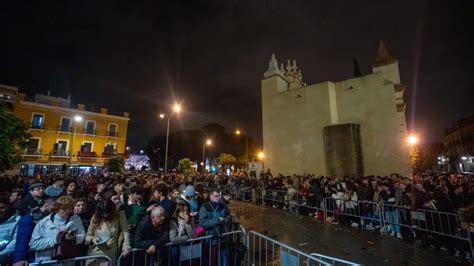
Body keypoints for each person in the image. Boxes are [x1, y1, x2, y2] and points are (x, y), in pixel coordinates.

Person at [29, 196, 86, 263]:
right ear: (57, 208)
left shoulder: (75, 219)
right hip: (47, 261)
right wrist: (55, 239)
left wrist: (74, 238)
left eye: (69, 208)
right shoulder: (44, 223)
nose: (67, 211)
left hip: (67, 260)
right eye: (64, 208)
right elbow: (33, 245)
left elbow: (82, 235)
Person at [12, 197, 56, 266]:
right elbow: (23, 239)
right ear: (46, 205)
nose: (55, 211)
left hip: (44, 254)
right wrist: (19, 259)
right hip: (31, 256)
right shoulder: (30, 218)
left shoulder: (50, 217)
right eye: (53, 208)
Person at [85, 199, 130, 266]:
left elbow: (125, 231)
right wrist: (92, 239)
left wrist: (126, 245)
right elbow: (88, 236)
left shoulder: (120, 215)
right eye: (103, 213)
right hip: (95, 252)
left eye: (107, 213)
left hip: (110, 252)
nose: (105, 215)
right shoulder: (95, 217)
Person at [199, 189, 231, 266]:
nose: (219, 198)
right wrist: (217, 220)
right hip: (211, 237)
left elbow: (228, 216)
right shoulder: (205, 207)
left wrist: (226, 219)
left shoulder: (222, 206)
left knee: (222, 257)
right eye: (216, 196)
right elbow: (202, 222)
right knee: (212, 259)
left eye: (219, 196)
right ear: (211, 196)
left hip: (222, 236)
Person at [0, 192, 21, 264]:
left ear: (7, 207)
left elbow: (15, 241)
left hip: (6, 258)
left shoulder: (16, 219)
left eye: (2, 207)